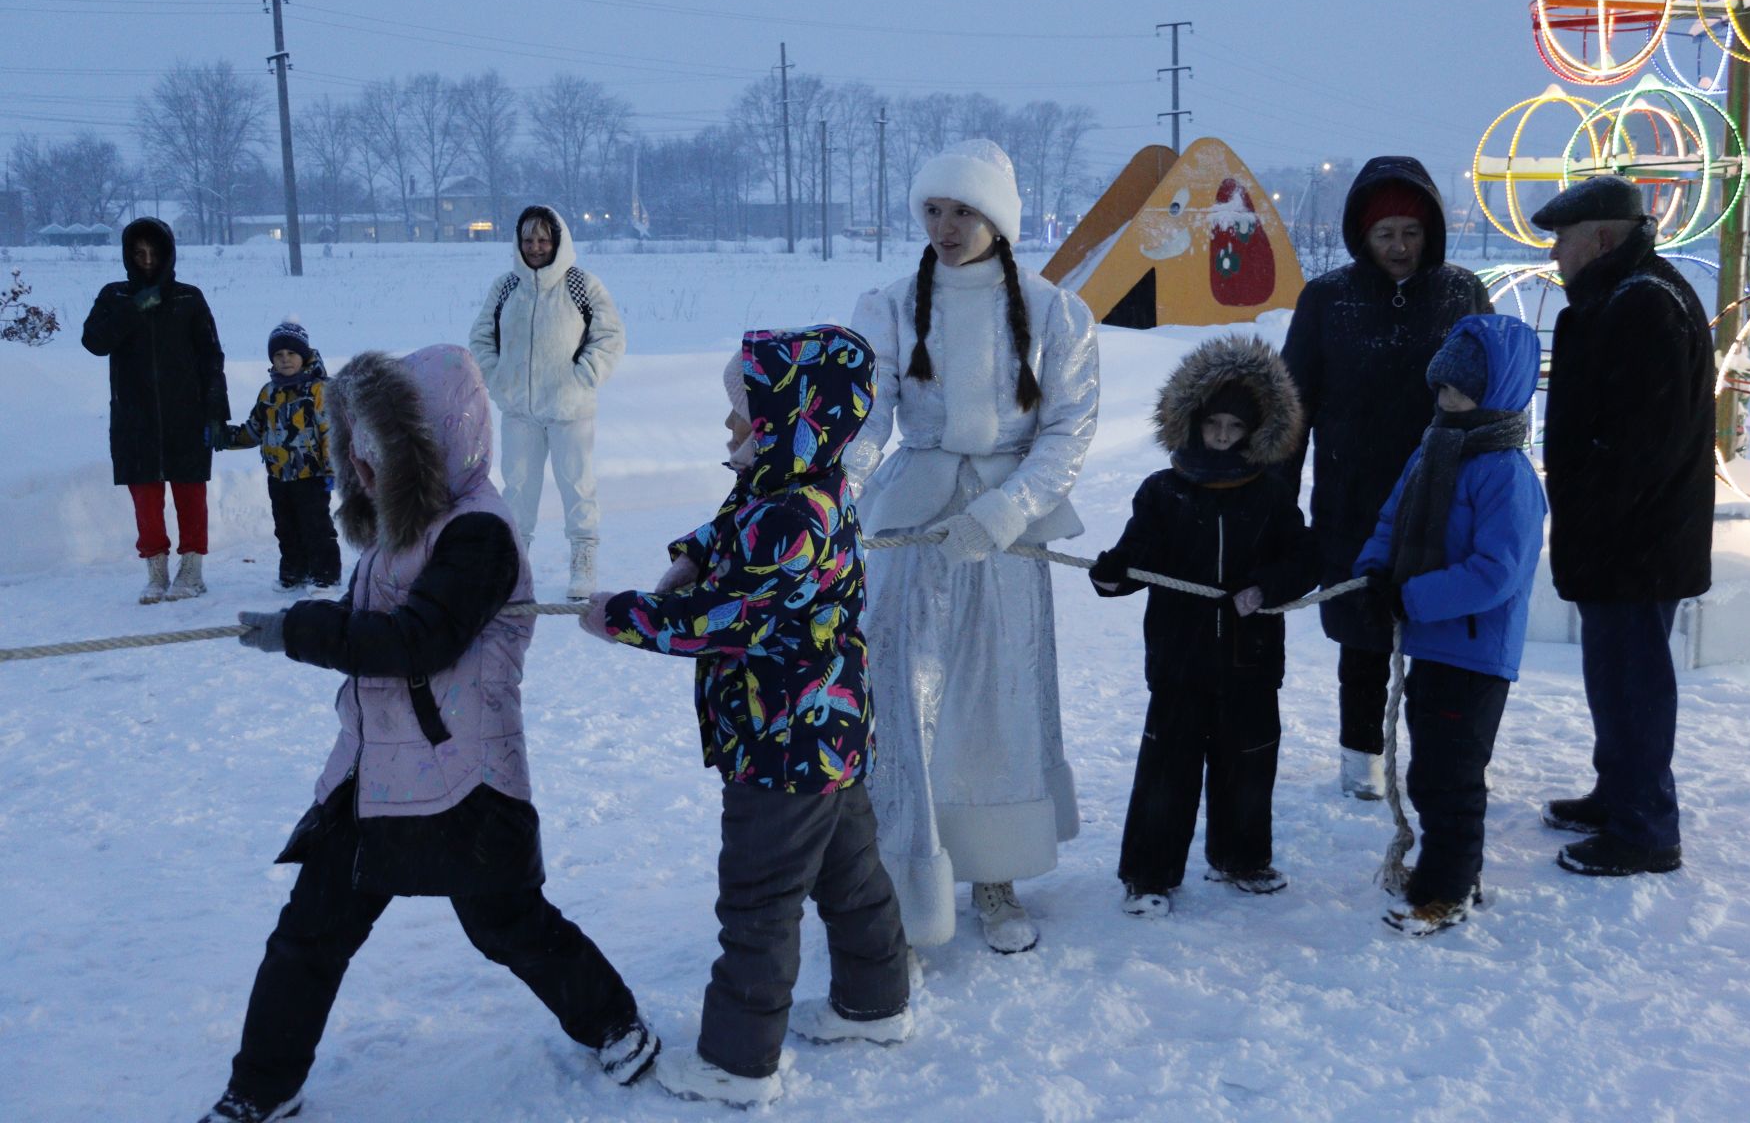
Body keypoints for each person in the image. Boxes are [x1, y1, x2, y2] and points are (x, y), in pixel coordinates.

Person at [197, 345, 655, 1123]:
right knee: (307, 937)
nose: (363, 470)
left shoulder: (478, 534)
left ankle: (613, 1021)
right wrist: (306, 627)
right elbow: (374, 629)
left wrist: (304, 631)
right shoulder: (399, 530)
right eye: (356, 451)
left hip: (462, 780)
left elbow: (418, 641)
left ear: (432, 447)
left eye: (381, 451)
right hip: (371, 776)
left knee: (509, 927)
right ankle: (260, 1092)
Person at [579, 326, 911, 1109]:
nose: (730, 426)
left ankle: (737, 1061)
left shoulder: (796, 510)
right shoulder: (789, 483)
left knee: (759, 900)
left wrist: (624, 616)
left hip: (783, 746)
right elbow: (729, 533)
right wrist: (691, 552)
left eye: (745, 412)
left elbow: (730, 616)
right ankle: (875, 1003)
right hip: (828, 738)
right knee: (851, 876)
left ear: (790, 419)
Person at [844, 139, 1099, 953]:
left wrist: (1004, 510)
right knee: (899, 690)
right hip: (912, 522)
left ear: (996, 217)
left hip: (1003, 534)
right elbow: (864, 418)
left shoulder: (1056, 311)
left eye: (962, 210)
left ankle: (994, 870)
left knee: (998, 699)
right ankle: (901, 868)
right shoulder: (887, 305)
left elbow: (1067, 430)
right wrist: (834, 497)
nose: (946, 226)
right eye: (933, 210)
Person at [1279, 157, 1492, 799]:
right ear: (1361, 237)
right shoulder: (1327, 300)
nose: (1400, 248)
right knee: (1363, 631)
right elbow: (1293, 406)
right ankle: (1361, 756)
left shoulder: (1461, 293)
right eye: (1385, 235)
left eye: (1411, 233)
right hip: (1353, 495)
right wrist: (1279, 504)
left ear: (1430, 232)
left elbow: (1497, 391)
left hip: (1443, 495)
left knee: (1440, 631)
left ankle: (1437, 755)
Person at [1088, 333, 1317, 918]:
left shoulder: (1270, 493)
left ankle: (1241, 858)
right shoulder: (1163, 492)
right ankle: (1149, 873)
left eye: (1233, 428)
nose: (1220, 436)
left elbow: (1304, 559)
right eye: (1212, 423)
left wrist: (1267, 587)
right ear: (1191, 423)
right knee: (1167, 769)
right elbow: (1137, 556)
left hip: (1252, 659)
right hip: (1179, 661)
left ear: (1255, 431)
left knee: (1248, 765)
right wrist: (1114, 574)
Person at [1533, 175, 1713, 878]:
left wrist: (1597, 513)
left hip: (1638, 540)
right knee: (1613, 675)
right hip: (1628, 534)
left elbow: (1642, 440)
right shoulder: (1628, 294)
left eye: (1564, 241)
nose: (1555, 257)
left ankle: (1645, 828)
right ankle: (1619, 796)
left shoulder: (1642, 305)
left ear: (1602, 237)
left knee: (1634, 681)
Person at [1352, 314, 1547, 935]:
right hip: (1433, 644)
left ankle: (1445, 890)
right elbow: (1393, 521)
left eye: (1462, 389)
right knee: (1431, 769)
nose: (1447, 400)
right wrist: (1374, 574)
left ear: (1499, 390)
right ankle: (1459, 870)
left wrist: (1415, 598)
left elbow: (1497, 572)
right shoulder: (1433, 448)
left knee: (1448, 779)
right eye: (1442, 388)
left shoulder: (1507, 475)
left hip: (1474, 651)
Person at [469, 205, 625, 600]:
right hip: (519, 409)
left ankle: (583, 561)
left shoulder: (581, 285)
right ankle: (514, 567)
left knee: (577, 486)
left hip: (570, 410)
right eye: (528, 240)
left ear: (558, 240)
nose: (536, 247)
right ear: (518, 243)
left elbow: (610, 337)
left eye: (543, 239)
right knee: (517, 489)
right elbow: (481, 338)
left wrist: (583, 377)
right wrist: (498, 376)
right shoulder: (505, 287)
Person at [81, 216, 230, 603]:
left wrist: (216, 411)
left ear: (167, 255)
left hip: (187, 415)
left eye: (153, 252)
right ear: (128, 256)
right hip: (135, 419)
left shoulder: (188, 298)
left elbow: (211, 356)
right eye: (139, 253)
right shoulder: (113, 297)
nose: (147, 259)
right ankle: (156, 572)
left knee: (190, 497)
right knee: (146, 501)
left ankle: (192, 570)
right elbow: (94, 342)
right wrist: (135, 308)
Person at [215, 319, 342, 591]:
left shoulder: (319, 390)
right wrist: (226, 437)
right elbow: (255, 429)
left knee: (316, 527)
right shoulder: (269, 392)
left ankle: (325, 576)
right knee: (286, 528)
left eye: (291, 354)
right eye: (278, 355)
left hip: (312, 475)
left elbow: (331, 432)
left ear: (304, 356)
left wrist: (333, 469)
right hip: (278, 476)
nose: (285, 360)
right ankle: (293, 572)